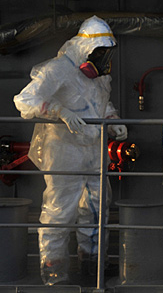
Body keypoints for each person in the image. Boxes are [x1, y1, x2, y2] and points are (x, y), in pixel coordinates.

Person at [14, 16, 127, 285]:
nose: (103, 58)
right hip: (63, 150)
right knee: (59, 211)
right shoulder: (57, 70)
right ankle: (54, 271)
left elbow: (99, 104)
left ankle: (93, 264)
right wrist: (58, 111)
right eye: (99, 52)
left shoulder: (99, 77)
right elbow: (24, 100)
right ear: (83, 49)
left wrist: (112, 120)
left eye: (106, 52)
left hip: (93, 148)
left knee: (97, 208)